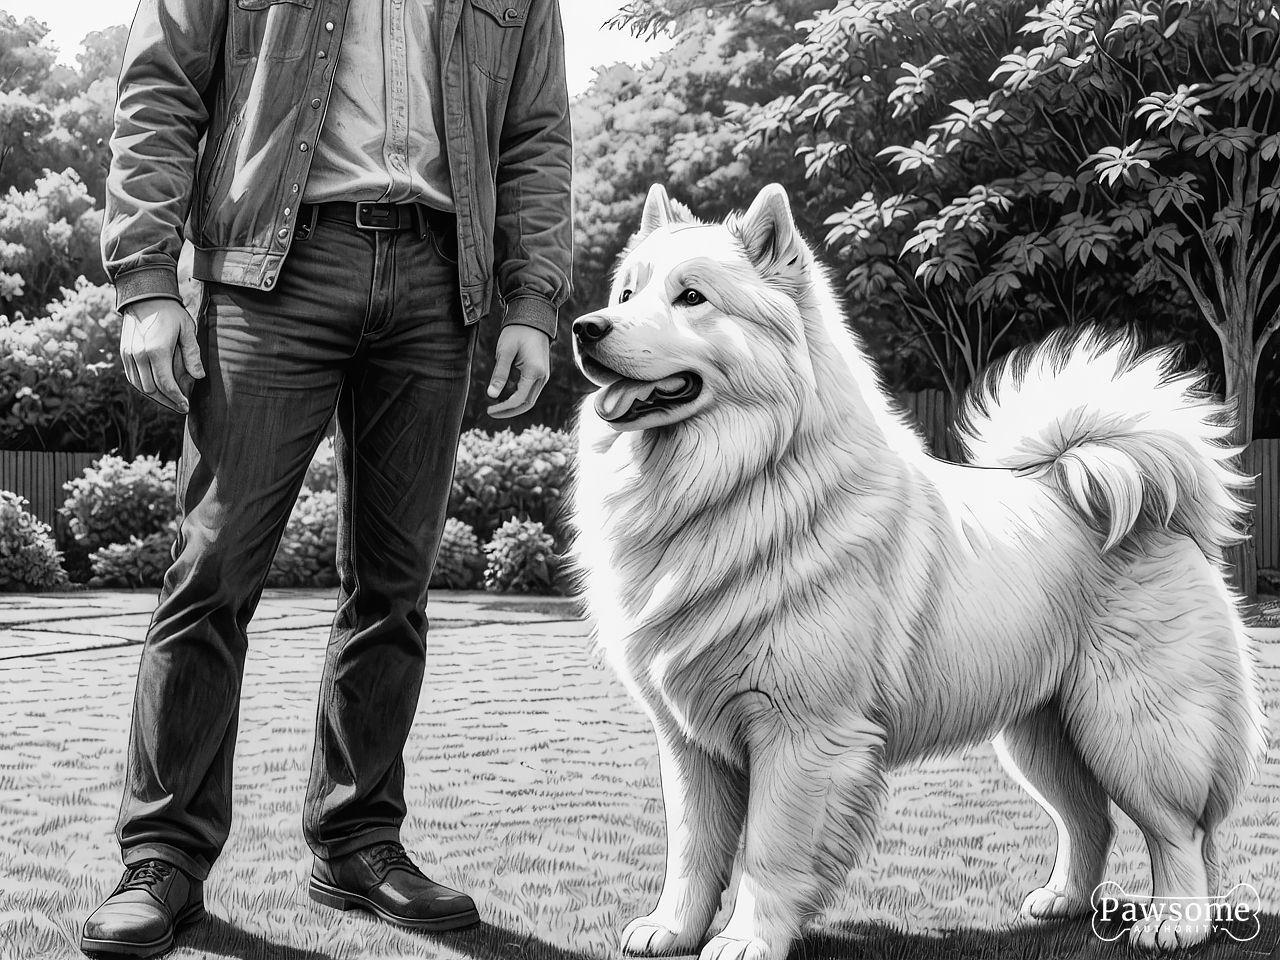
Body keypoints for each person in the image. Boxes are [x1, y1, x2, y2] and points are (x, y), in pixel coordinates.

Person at [80, 0, 571, 955]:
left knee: (395, 586)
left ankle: (357, 841)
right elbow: (162, 87)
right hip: (273, 267)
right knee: (213, 570)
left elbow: (536, 133)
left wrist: (532, 299)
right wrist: (144, 280)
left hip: (439, 278)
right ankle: (163, 857)